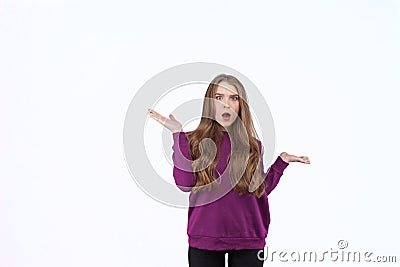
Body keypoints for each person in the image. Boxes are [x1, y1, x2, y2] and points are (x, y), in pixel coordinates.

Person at [147, 73, 310, 267]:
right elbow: (184, 183)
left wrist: (280, 163)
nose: (226, 104)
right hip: (205, 236)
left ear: (241, 105)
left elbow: (259, 190)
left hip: (248, 237)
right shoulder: (192, 140)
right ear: (210, 104)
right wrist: (177, 133)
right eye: (219, 97)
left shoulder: (252, 145)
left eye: (233, 98)